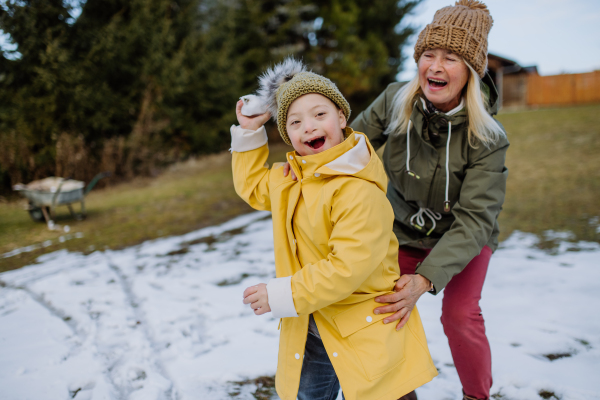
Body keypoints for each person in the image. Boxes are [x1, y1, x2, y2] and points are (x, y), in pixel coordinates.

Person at [230, 59, 437, 400]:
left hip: (365, 324)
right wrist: (251, 130)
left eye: (319, 114)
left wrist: (282, 295)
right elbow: (253, 186)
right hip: (312, 325)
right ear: (288, 135)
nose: (308, 126)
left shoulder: (358, 189)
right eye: (295, 122)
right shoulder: (291, 178)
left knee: (385, 393)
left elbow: (348, 267)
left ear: (342, 117)